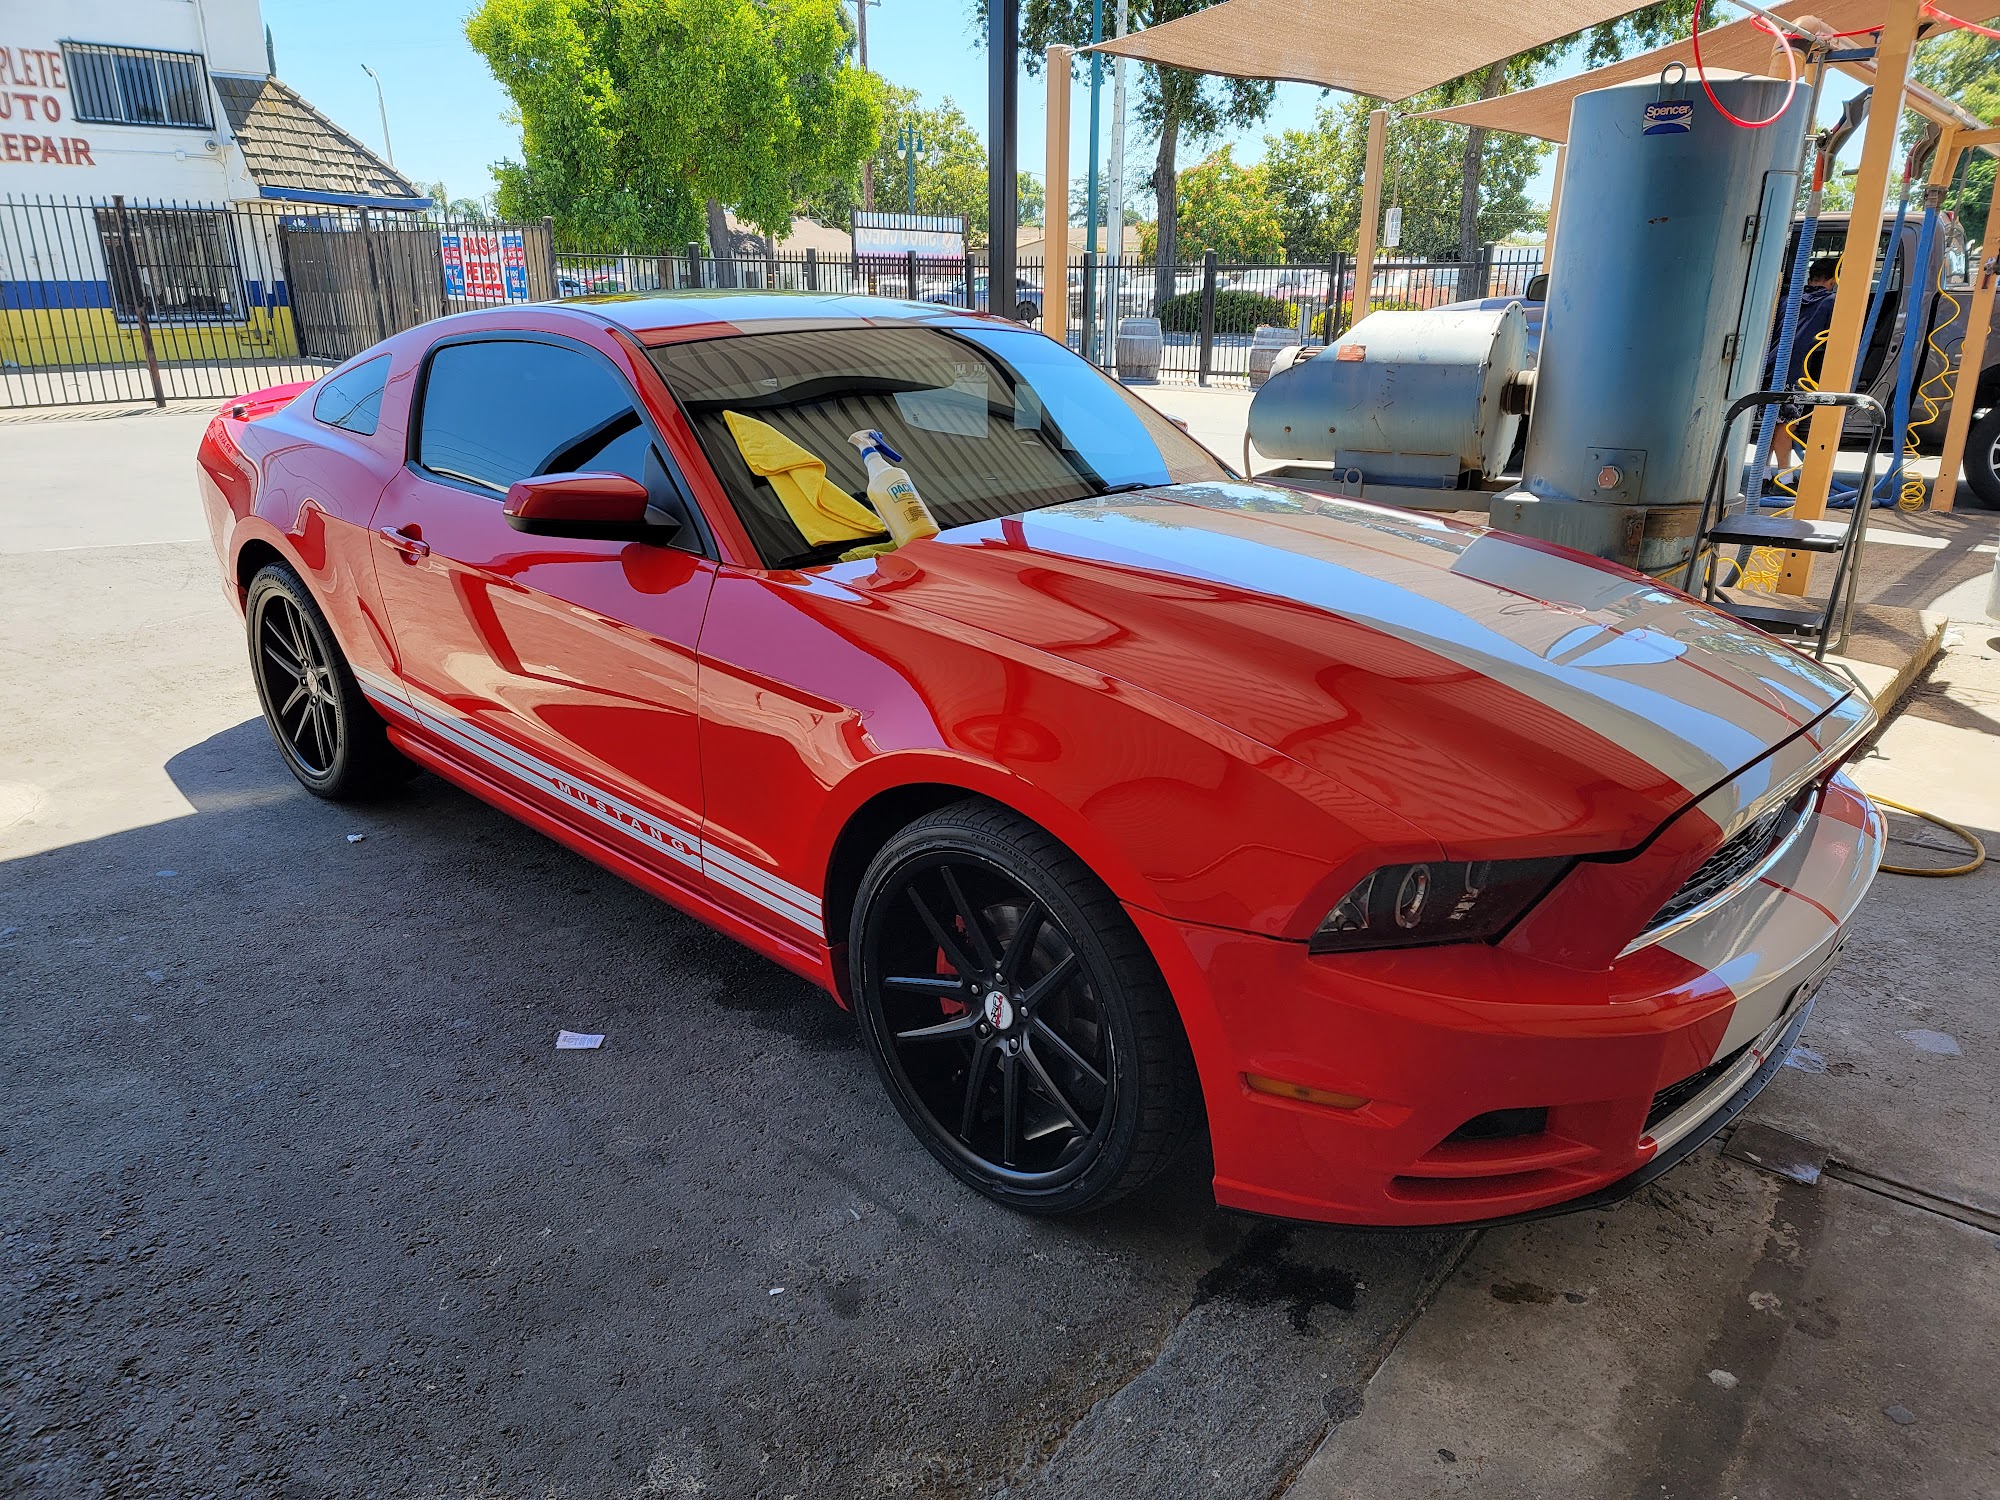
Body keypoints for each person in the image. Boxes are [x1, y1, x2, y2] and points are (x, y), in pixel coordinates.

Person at [1766, 257, 1840, 471]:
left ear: (1810, 278)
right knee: (1787, 424)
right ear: (1834, 280)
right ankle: (1784, 475)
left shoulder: (1787, 300)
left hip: (1772, 365)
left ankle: (1763, 472)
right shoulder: (1831, 302)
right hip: (1798, 370)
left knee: (1770, 422)